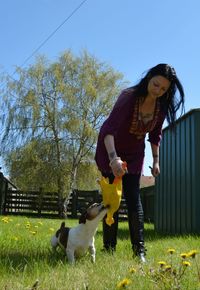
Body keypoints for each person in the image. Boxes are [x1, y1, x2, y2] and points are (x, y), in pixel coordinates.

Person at [95, 64, 185, 262]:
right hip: (110, 148)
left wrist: (156, 161)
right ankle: (109, 249)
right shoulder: (128, 97)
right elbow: (108, 129)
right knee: (112, 200)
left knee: (134, 200)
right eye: (156, 85)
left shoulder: (160, 107)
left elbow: (154, 135)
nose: (158, 91)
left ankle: (140, 252)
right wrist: (113, 159)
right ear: (149, 77)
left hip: (135, 154)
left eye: (163, 89)